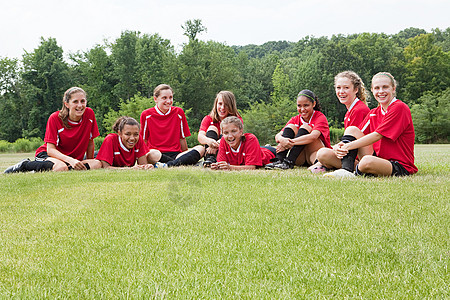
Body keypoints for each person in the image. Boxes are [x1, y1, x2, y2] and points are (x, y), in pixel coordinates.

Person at [323, 72, 418, 177]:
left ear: (393, 89)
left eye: (385, 87)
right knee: (348, 133)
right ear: (372, 90)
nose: (381, 91)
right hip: (378, 159)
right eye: (377, 88)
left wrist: (347, 146)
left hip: (400, 165)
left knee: (366, 161)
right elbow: (354, 135)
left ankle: (355, 172)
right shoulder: (374, 112)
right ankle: (346, 170)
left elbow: (377, 135)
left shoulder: (399, 107)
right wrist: (338, 146)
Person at [4, 87, 101, 173]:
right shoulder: (55, 118)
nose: (80, 105)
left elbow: (90, 142)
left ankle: (66, 168)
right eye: (75, 102)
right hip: (49, 155)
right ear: (66, 104)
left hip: (70, 159)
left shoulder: (89, 114)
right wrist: (71, 160)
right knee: (61, 168)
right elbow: (50, 150)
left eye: (82, 101)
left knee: (96, 164)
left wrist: (89, 162)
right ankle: (25, 165)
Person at [312, 71, 370, 173]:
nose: (341, 91)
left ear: (356, 89)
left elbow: (354, 143)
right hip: (354, 154)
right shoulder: (350, 111)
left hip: (363, 157)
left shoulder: (359, 110)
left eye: (346, 88)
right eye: (338, 88)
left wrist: (335, 150)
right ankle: (325, 165)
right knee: (322, 153)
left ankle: (343, 167)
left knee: (323, 154)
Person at [140, 84, 204, 167]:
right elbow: (143, 140)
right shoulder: (146, 115)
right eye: (164, 98)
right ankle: (183, 163)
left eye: (170, 97)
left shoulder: (179, 112)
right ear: (155, 99)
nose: (168, 101)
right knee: (152, 154)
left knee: (201, 148)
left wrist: (186, 154)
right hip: (157, 154)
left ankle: (168, 165)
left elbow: (182, 138)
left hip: (176, 154)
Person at [265, 89, 331, 170]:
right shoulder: (295, 119)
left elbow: (313, 136)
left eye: (306, 105)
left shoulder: (320, 117)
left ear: (313, 104)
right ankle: (279, 160)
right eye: (299, 106)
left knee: (305, 127)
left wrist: (290, 143)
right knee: (291, 127)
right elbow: (278, 135)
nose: (302, 109)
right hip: (300, 156)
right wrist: (282, 140)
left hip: (314, 153)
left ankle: (289, 162)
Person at [211, 116, 275, 170]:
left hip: (270, 152)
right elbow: (222, 163)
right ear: (222, 133)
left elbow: (251, 167)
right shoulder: (223, 141)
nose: (230, 136)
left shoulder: (251, 139)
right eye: (226, 133)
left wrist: (229, 167)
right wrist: (218, 166)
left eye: (234, 131)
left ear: (241, 131)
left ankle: (267, 146)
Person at [198, 91, 242, 167]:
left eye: (226, 105)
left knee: (226, 130)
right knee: (212, 128)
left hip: (228, 151)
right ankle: (210, 159)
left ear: (231, 106)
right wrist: (210, 142)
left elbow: (238, 137)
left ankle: (218, 159)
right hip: (211, 150)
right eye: (220, 104)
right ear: (216, 104)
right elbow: (200, 137)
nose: (222, 108)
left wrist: (218, 144)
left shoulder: (237, 120)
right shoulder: (208, 119)